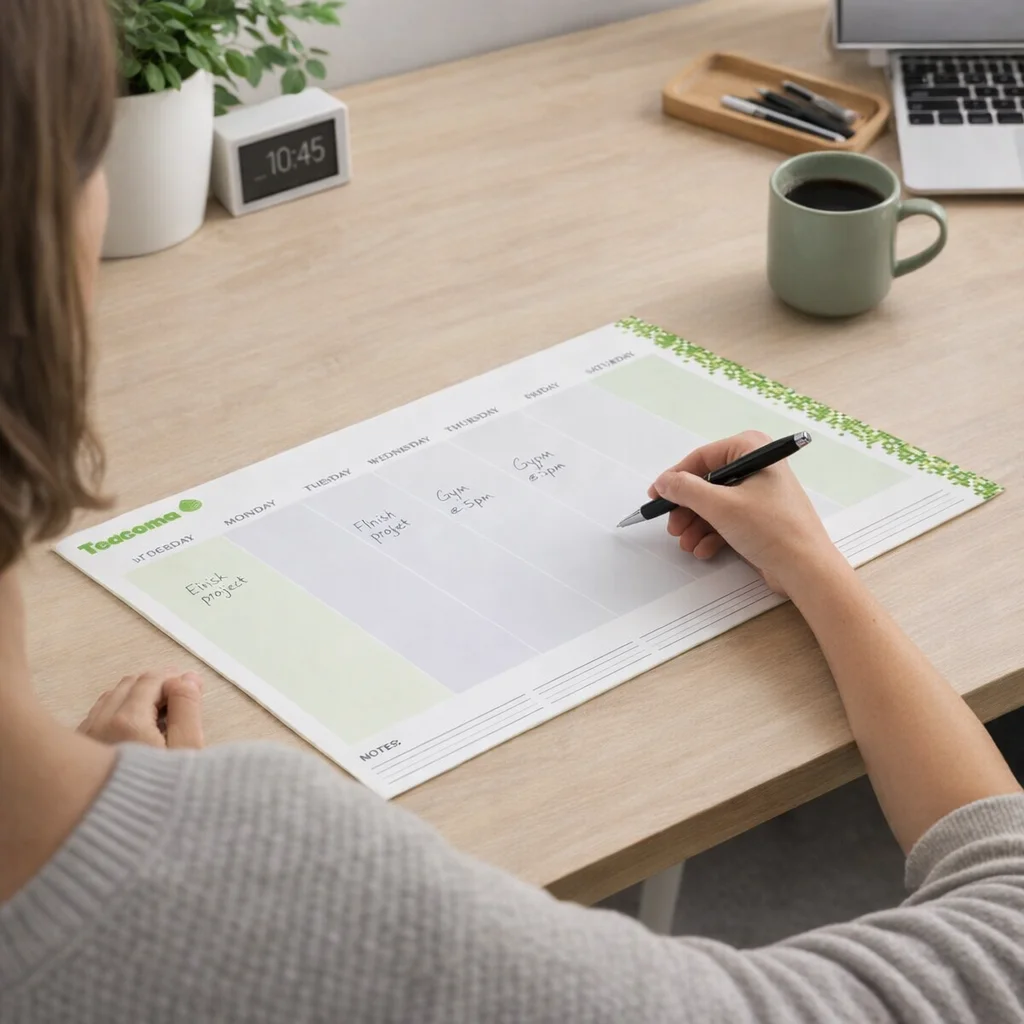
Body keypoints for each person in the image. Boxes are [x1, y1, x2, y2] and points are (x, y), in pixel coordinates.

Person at [1, 1, 1023, 1020]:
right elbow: (1002, 940)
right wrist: (818, 569)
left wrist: (99, 809)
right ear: (51, 248)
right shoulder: (298, 888)